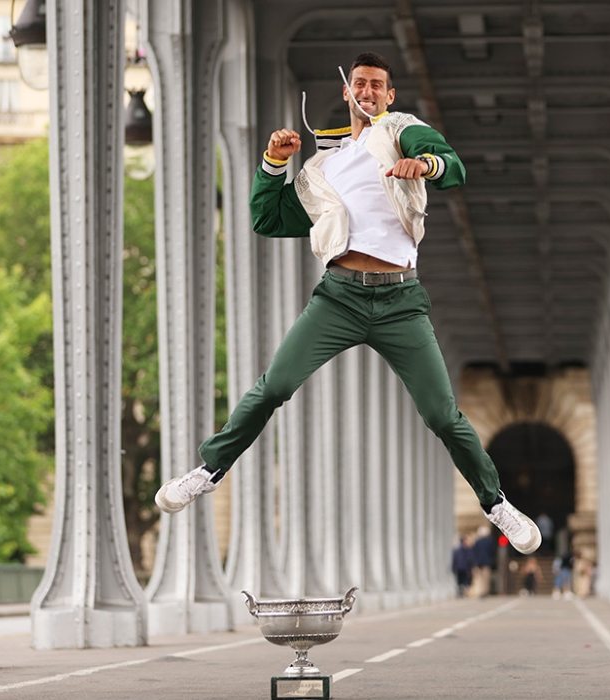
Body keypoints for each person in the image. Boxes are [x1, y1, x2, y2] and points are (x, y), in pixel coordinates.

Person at [153, 51, 540, 556]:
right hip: (339, 298)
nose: (369, 91)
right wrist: (274, 162)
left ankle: (496, 504)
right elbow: (267, 220)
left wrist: (423, 163)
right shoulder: (322, 169)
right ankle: (207, 471)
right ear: (346, 91)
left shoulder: (400, 130)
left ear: (390, 95)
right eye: (360, 83)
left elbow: (454, 169)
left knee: (443, 416)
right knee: (274, 387)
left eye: (378, 85)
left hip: (401, 300)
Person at [471, 525, 496, 597]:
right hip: (487, 562)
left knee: (480, 578)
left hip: (478, 562)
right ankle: (485, 591)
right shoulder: (490, 541)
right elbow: (492, 551)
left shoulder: (477, 542)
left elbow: (474, 552)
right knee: (486, 578)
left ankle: (480, 591)